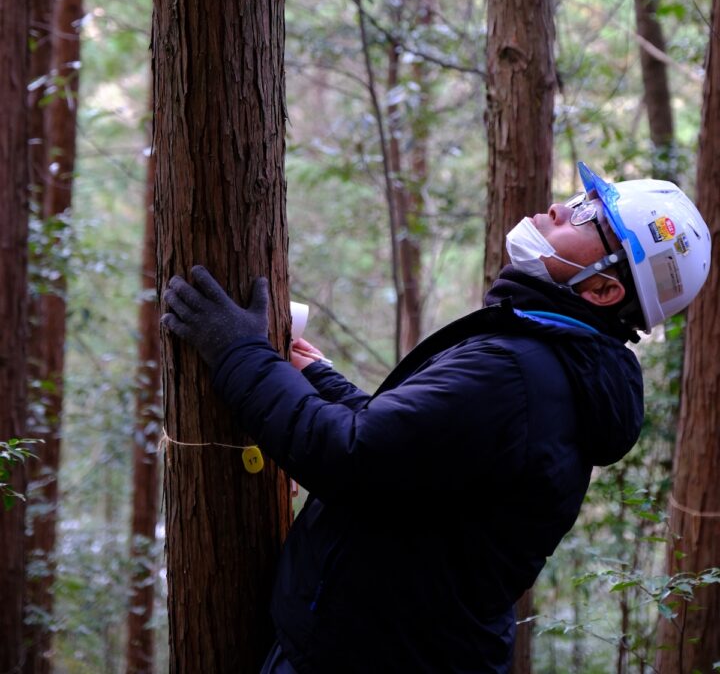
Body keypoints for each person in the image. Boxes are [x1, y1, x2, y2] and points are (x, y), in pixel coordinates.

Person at [162, 161, 711, 674]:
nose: (560, 209)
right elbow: (412, 459)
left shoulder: (518, 372)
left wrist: (237, 350)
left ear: (602, 288)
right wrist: (321, 378)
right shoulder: (548, 360)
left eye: (590, 215)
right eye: (580, 197)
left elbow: (350, 459)